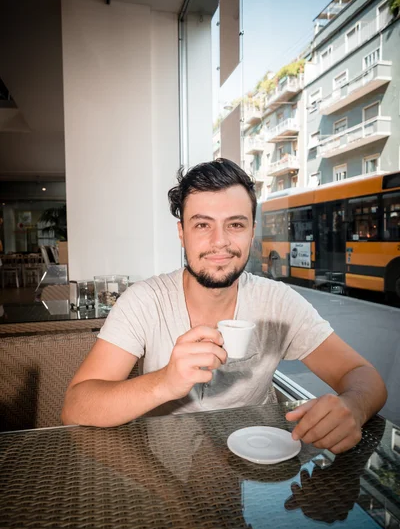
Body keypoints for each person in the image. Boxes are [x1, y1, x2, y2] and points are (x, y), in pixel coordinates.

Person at [62, 158, 387, 453]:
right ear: (182, 233)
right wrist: (166, 381)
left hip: (258, 468)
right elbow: (76, 405)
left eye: (235, 224)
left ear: (251, 233)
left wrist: (353, 408)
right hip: (163, 471)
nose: (220, 241)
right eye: (202, 225)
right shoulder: (145, 300)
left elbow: (361, 375)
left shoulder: (278, 301)